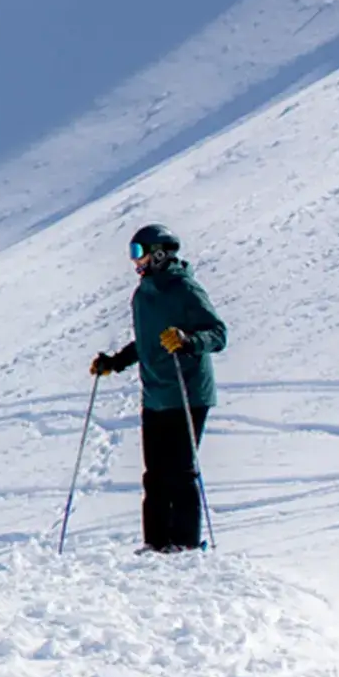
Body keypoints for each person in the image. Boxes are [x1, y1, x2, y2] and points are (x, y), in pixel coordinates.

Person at [91, 224, 227, 552]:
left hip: (188, 392)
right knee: (154, 475)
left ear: (160, 253)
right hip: (155, 394)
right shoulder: (142, 294)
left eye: (139, 252)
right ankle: (155, 543)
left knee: (180, 471)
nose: (135, 261)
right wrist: (115, 362)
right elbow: (146, 342)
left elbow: (218, 334)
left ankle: (185, 545)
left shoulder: (185, 289)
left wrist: (189, 341)